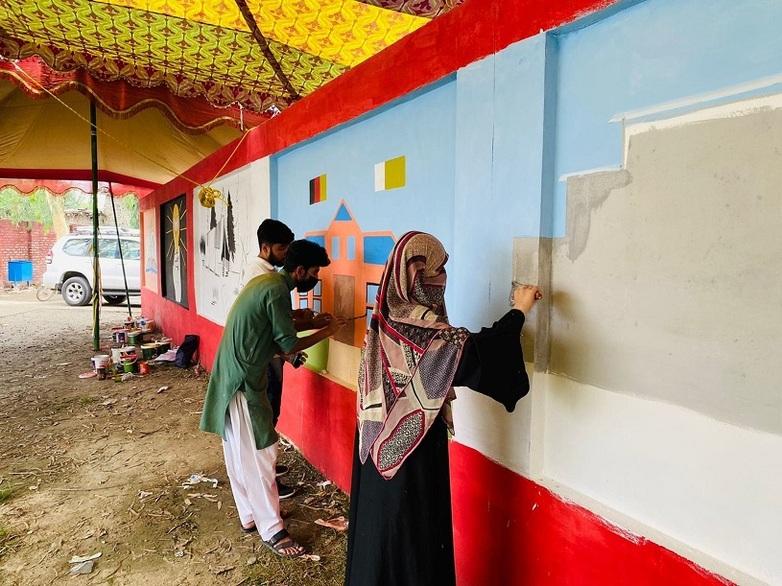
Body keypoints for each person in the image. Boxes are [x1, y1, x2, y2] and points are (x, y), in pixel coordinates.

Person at [345, 231, 542, 585]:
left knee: (378, 548)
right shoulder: (422, 332)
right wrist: (519, 310)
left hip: (376, 458)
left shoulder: (384, 321)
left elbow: (464, 349)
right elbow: (478, 355)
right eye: (437, 271)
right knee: (407, 548)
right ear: (416, 275)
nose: (443, 281)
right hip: (409, 463)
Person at [201, 239, 347, 557]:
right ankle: (273, 529)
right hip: (241, 381)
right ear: (299, 271)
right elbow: (289, 344)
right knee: (260, 453)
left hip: (233, 374)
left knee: (240, 452)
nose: (316, 277)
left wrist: (312, 319)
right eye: (315, 272)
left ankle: (251, 516)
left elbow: (277, 322)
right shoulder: (277, 289)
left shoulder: (267, 283)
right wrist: (328, 330)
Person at [240, 219, 297, 497]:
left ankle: (269, 469)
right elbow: (272, 325)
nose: (285, 252)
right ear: (265, 247)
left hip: (268, 352)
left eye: (287, 247)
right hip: (264, 355)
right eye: (281, 247)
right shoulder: (263, 277)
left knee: (270, 412)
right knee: (266, 415)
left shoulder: (266, 272)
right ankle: (268, 480)